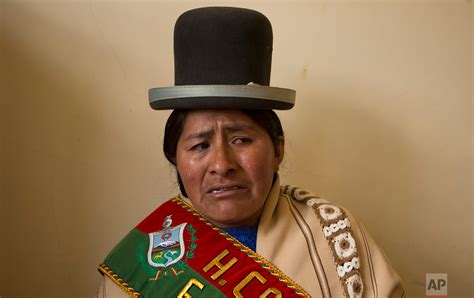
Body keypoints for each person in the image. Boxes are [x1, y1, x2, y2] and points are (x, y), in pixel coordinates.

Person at [97, 7, 404, 298]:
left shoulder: (334, 234)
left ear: (278, 149)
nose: (221, 164)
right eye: (200, 145)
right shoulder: (142, 260)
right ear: (176, 159)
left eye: (241, 140)